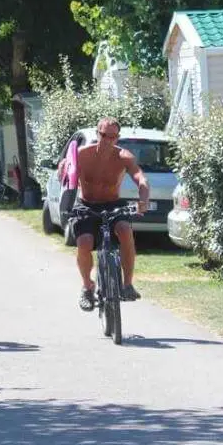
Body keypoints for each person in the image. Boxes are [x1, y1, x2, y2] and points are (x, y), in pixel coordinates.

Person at [73, 117, 150, 312]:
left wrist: (144, 198)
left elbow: (140, 178)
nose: (108, 140)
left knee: (124, 230)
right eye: (104, 135)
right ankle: (87, 286)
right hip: (86, 205)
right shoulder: (82, 154)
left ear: (118, 137)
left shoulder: (124, 157)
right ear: (97, 134)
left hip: (113, 204)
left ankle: (128, 284)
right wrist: (64, 171)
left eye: (113, 136)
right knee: (84, 242)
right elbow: (66, 171)